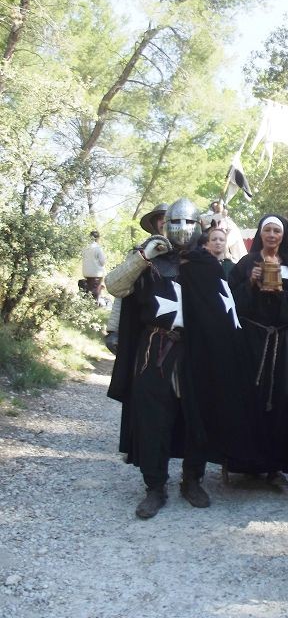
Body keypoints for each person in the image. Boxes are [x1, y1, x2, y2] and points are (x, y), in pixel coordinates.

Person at [106, 198, 211, 519]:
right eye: (173, 222)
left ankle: (192, 480)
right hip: (155, 350)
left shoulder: (205, 262)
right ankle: (155, 487)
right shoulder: (146, 259)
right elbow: (114, 286)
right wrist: (143, 257)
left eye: (188, 222)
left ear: (198, 227)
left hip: (195, 351)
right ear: (162, 226)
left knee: (196, 416)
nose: (181, 228)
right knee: (153, 418)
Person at [228, 215, 288, 485]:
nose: (272, 235)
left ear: (284, 235)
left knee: (282, 400)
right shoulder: (246, 263)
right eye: (268, 230)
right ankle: (249, 463)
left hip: (283, 341)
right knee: (251, 397)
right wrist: (250, 284)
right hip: (252, 340)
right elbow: (231, 301)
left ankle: (275, 467)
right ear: (261, 234)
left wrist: (282, 291)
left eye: (277, 231)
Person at [105, 203, 168, 354]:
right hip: (142, 327)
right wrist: (114, 329)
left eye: (167, 218)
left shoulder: (186, 255)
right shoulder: (139, 253)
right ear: (153, 223)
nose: (163, 222)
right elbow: (119, 289)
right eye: (159, 218)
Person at [81, 230, 106, 302]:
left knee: (88, 291)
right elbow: (102, 262)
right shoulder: (98, 248)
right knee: (95, 292)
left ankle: (87, 304)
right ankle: (94, 305)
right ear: (98, 238)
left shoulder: (85, 248)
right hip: (96, 274)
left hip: (86, 273)